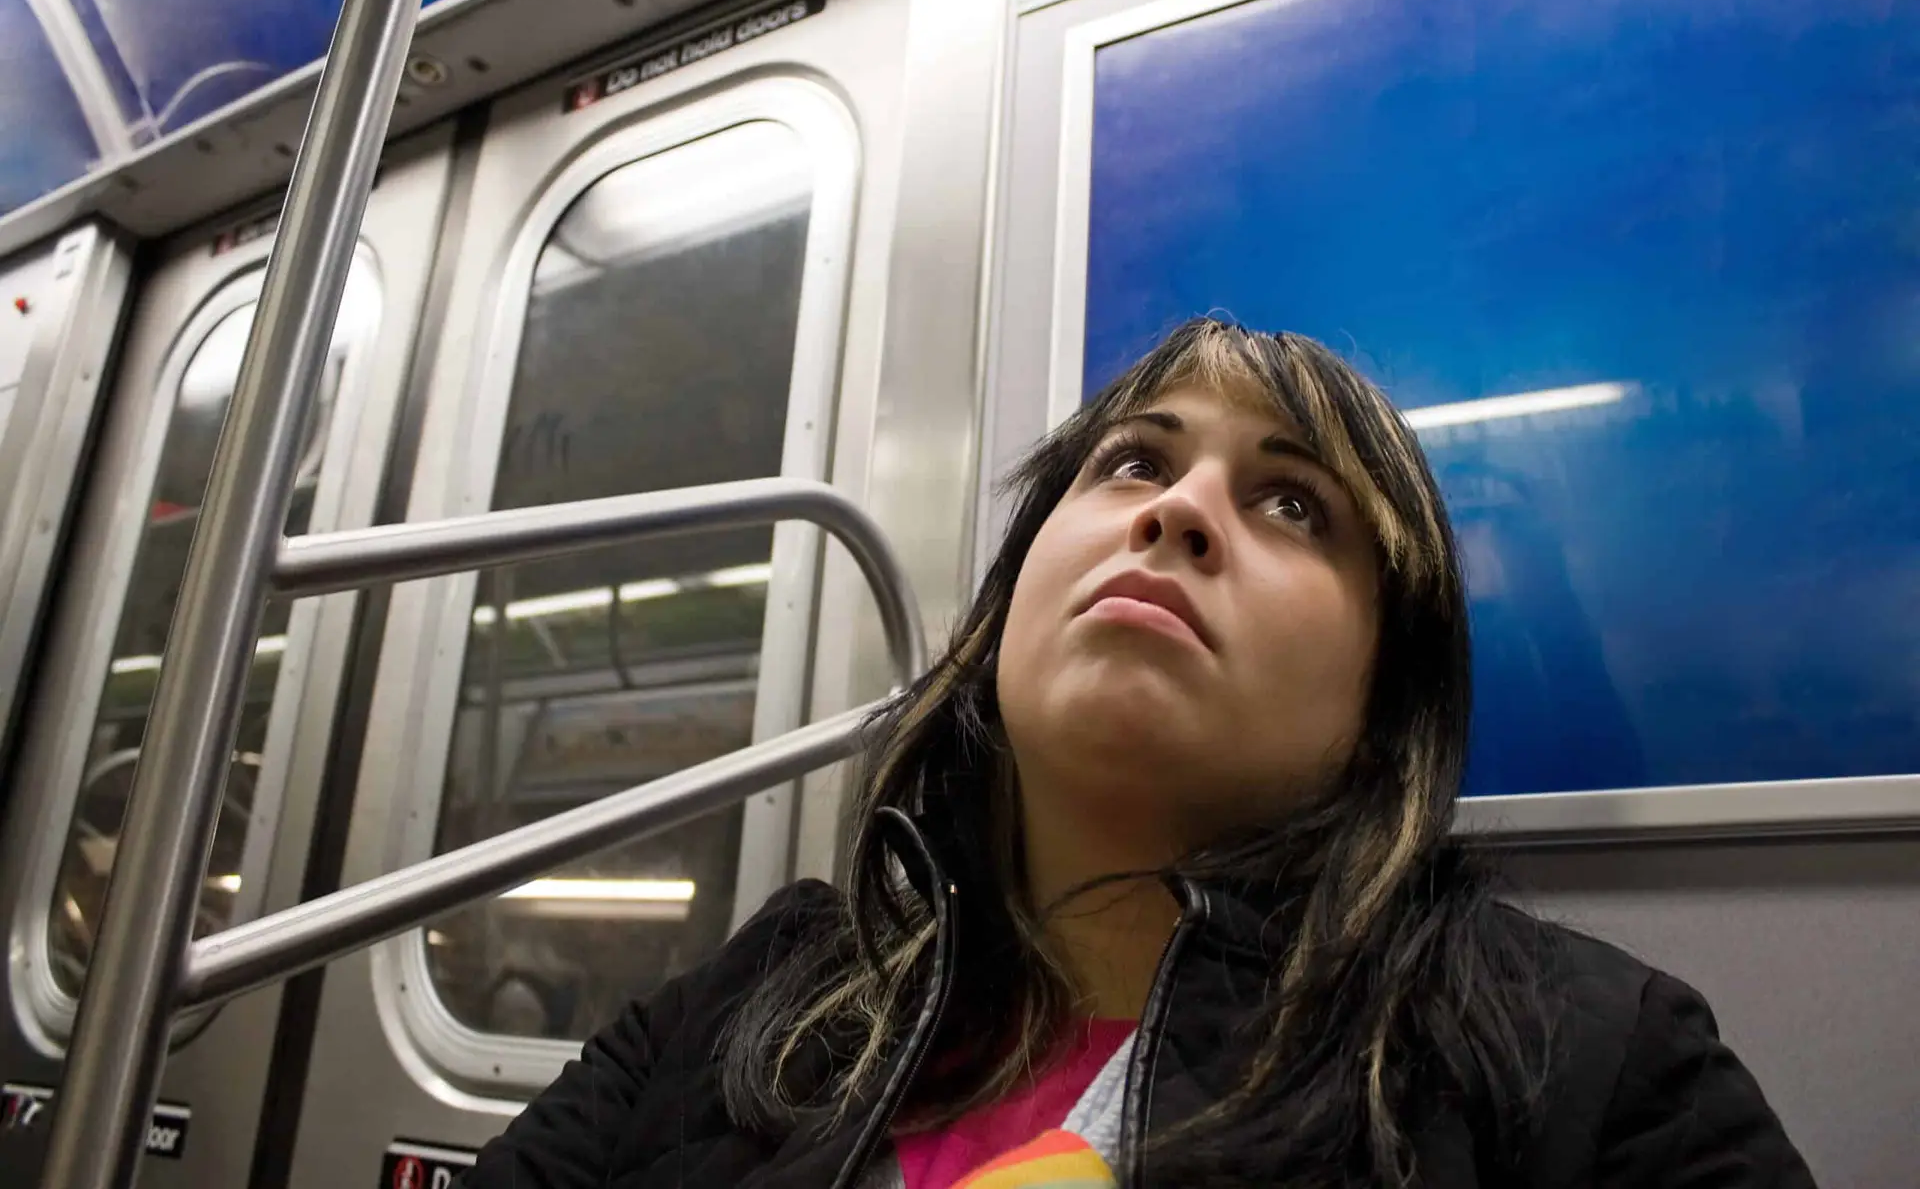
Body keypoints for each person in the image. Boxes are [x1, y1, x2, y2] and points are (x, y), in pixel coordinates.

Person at [461, 319, 1813, 1188]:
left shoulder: (1577, 1063)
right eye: (1132, 464)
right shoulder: (758, 1004)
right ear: (1002, 607)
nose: (1179, 513)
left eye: (1294, 502)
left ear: (1382, 702)